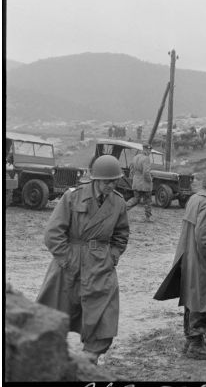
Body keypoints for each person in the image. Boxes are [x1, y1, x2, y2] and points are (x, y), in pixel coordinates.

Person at [36, 155, 129, 364]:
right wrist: (68, 260)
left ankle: (91, 356)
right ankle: (45, 356)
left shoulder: (118, 202)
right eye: (107, 181)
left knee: (105, 310)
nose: (111, 185)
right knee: (53, 309)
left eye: (115, 181)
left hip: (100, 263)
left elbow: (121, 234)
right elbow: (53, 233)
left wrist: (112, 257)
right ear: (95, 179)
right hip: (69, 261)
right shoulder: (72, 197)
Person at [154, 168, 206, 359]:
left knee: (192, 299)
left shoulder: (196, 199)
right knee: (204, 299)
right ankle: (196, 344)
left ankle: (193, 340)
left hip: (192, 258)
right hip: (204, 262)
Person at [127, 144, 153, 221]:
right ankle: (148, 218)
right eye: (149, 150)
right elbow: (146, 172)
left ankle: (123, 209)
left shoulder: (136, 157)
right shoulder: (146, 159)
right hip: (144, 184)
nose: (150, 152)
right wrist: (150, 180)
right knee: (148, 200)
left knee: (136, 199)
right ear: (146, 150)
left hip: (136, 182)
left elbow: (131, 170)